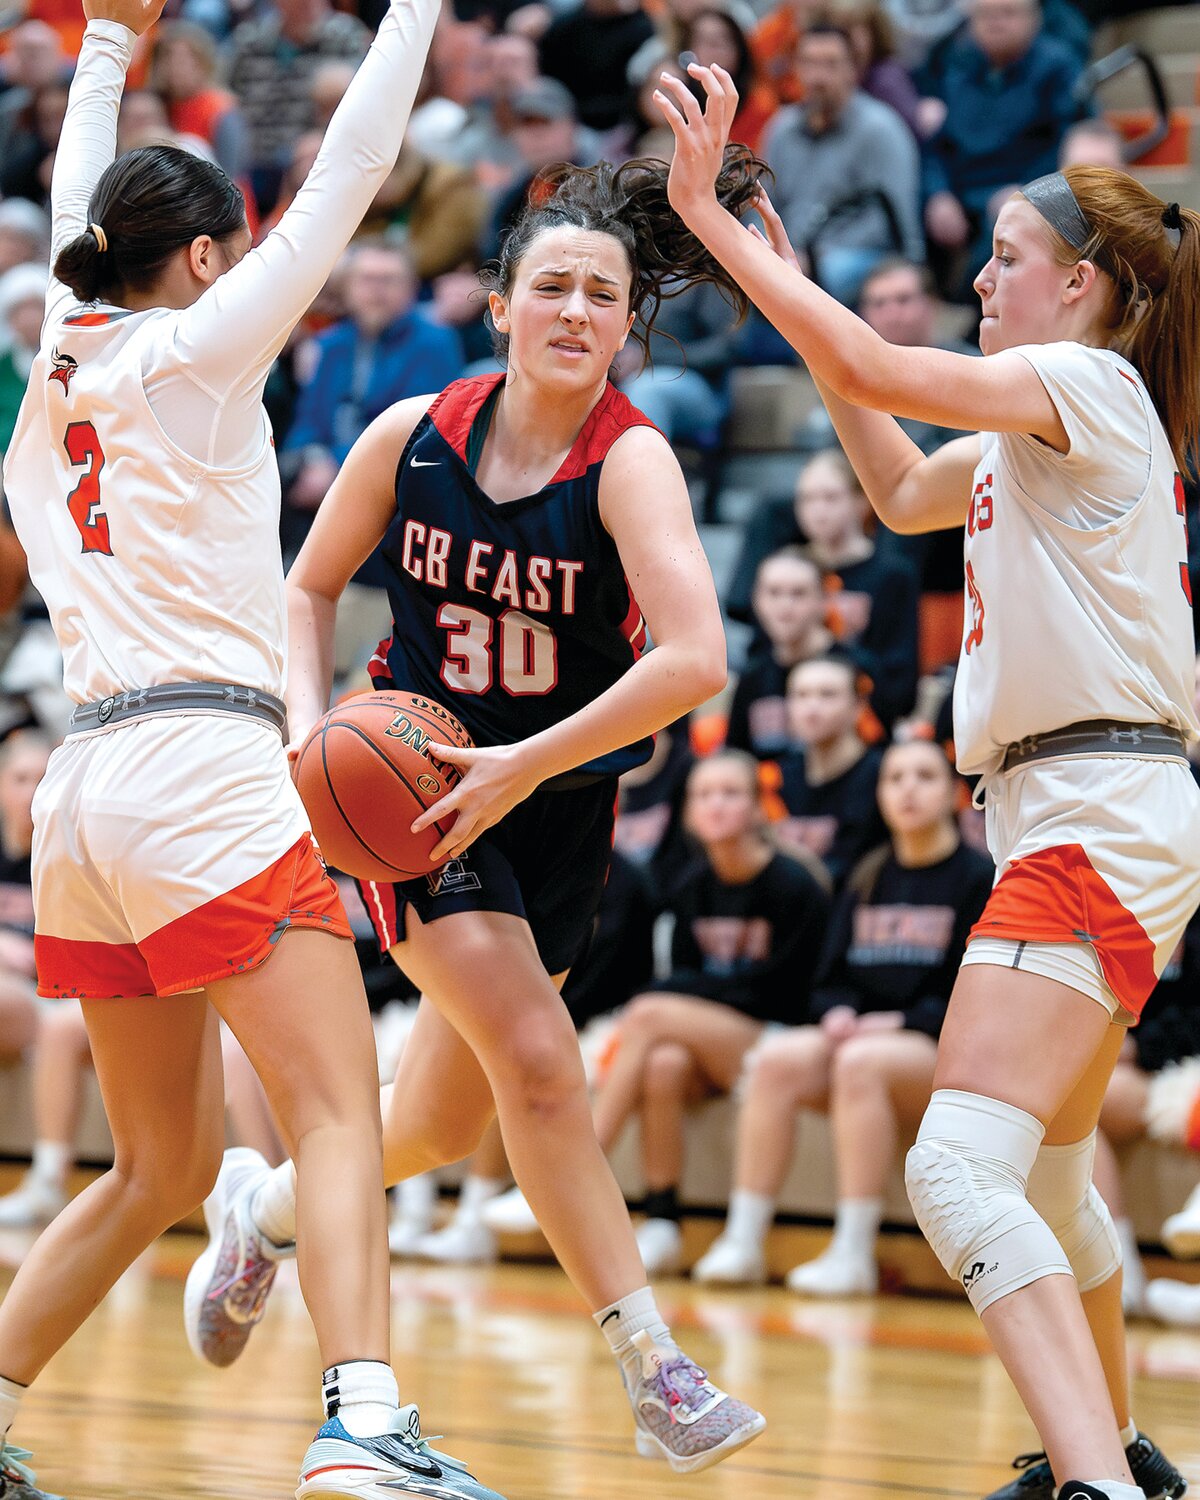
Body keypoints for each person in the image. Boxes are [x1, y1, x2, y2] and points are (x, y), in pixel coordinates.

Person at [657, 55, 1200, 1500]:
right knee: (1039, 1173)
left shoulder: (1080, 382)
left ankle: (1092, 1487)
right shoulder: (1043, 431)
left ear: (1079, 287)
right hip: (1091, 806)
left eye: (1006, 259)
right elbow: (898, 481)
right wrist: (789, 282)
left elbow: (872, 362)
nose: (983, 281)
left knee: (955, 1173)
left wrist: (713, 229)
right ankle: (1128, 1459)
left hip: (1091, 805)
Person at [185, 149, 770, 1474]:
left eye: (602, 297)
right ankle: (656, 1370)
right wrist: (303, 721)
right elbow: (303, 586)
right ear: (501, 303)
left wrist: (527, 763)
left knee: (448, 1123)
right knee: (548, 1070)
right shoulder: (413, 436)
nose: (575, 312)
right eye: (551, 286)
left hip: (553, 810)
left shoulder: (629, 467)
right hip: (415, 810)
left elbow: (696, 660)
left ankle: (262, 1216)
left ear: (627, 326)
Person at [0, 1, 512, 1499]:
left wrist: (105, 43)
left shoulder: (57, 352)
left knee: (158, 1166)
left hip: (81, 793)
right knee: (340, 1109)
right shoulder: (203, 351)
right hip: (201, 771)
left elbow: (65, 196)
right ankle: (361, 1421)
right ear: (212, 255)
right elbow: (350, 174)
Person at [695, 739, 991, 1287]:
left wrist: (899, 1023)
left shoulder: (977, 878)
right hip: (865, 1035)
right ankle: (743, 1238)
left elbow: (976, 995)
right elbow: (829, 978)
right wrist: (837, 1012)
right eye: (894, 778)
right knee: (778, 1059)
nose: (906, 789)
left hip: (939, 1044)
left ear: (954, 794)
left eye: (923, 777)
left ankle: (854, 1251)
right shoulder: (865, 874)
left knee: (861, 1062)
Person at [590, 750, 831, 1275]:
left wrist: (702, 995)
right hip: (719, 1040)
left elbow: (790, 991)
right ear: (689, 812)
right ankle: (663, 1222)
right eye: (704, 795)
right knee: (664, 1062)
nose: (716, 805)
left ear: (757, 807)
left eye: (730, 793)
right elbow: (683, 975)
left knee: (652, 1014)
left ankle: (577, 1168)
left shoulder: (796, 885)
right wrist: (703, 995)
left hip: (783, 1036)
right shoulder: (689, 885)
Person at [920, 0, 1083, 299]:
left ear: (1034, 19)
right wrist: (938, 194)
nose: (996, 23)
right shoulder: (957, 66)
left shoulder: (1058, 66)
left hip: (1024, 187)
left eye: (1008, 13)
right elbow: (936, 149)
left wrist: (1028, 190)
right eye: (985, 15)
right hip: (962, 193)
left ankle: (972, 318)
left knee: (1012, 218)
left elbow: (1070, 139)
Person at [761, 24, 922, 304]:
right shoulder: (781, 130)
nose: (818, 76)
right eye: (809, 63)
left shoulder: (880, 129)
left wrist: (812, 257)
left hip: (871, 257)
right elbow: (761, 203)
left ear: (853, 70)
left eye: (830, 64)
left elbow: (892, 220)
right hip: (794, 254)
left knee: (830, 273)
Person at [775, 655, 887, 885]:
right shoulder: (776, 777)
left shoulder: (885, 775)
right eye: (801, 695)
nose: (811, 708)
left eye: (827, 695)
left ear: (859, 706)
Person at [725, 548, 833, 760]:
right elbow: (738, 758)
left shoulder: (854, 669)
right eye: (774, 593)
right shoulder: (752, 678)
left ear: (824, 600)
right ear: (756, 600)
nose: (785, 606)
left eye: (798, 593)